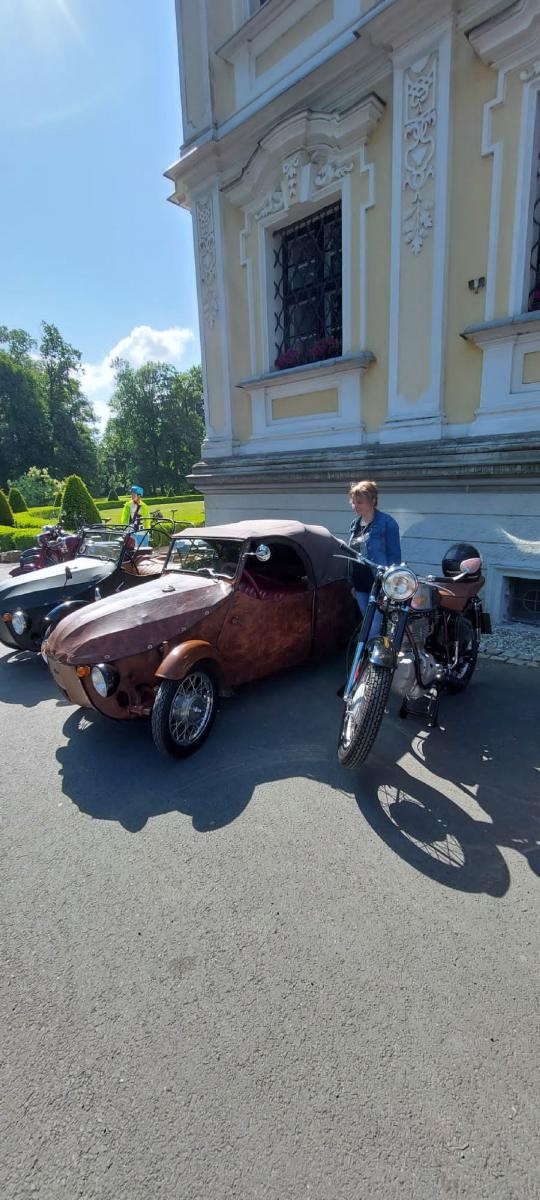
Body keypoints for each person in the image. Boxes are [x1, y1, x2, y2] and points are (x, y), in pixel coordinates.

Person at [348, 480, 401, 628]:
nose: (355, 506)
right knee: (367, 626)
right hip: (360, 586)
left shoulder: (387, 523)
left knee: (373, 630)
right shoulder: (354, 525)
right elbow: (353, 555)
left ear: (372, 501)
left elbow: (394, 558)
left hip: (378, 585)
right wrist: (352, 584)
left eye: (360, 502)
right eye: (353, 502)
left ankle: (374, 651)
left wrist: (388, 588)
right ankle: (374, 651)